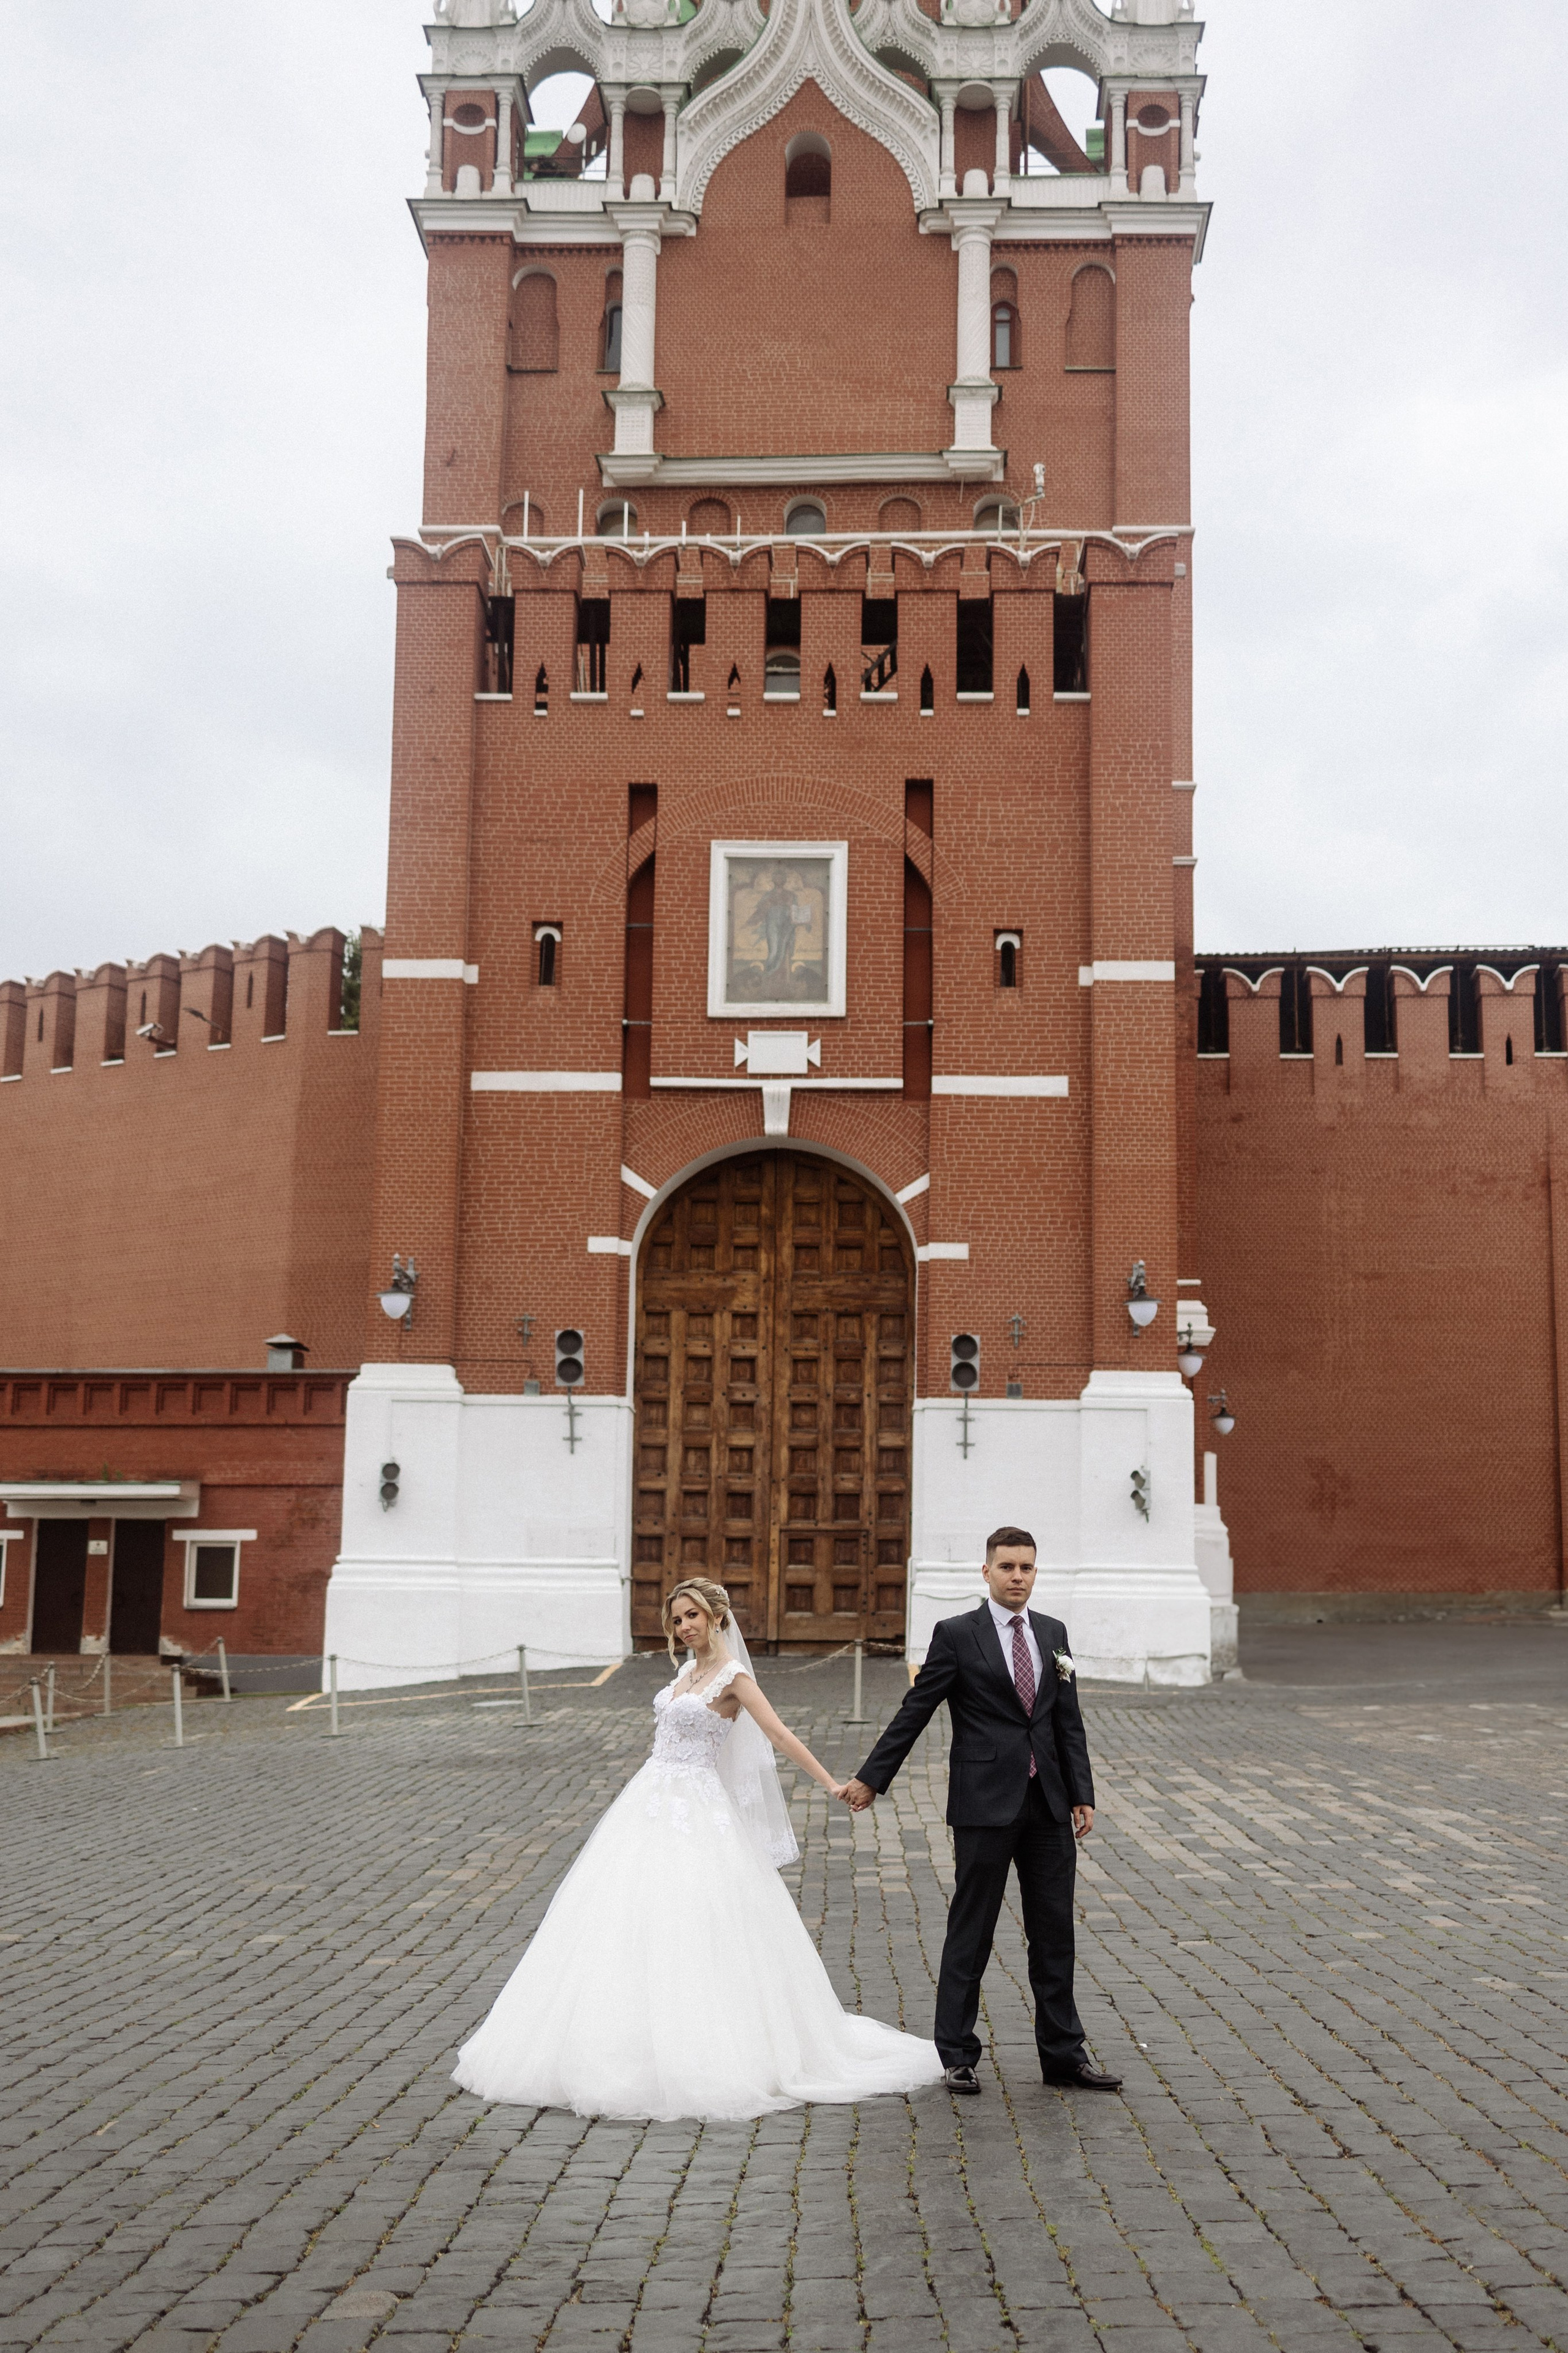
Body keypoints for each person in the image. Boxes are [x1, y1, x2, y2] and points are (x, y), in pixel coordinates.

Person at [453, 1578, 944, 2121]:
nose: (684, 1626)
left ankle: (705, 2042)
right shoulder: (685, 1673)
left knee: (697, 1915)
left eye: (692, 1616)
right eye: (677, 1619)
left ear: (716, 1617)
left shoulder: (733, 1678)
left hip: (698, 1807)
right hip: (647, 1802)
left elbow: (777, 1735)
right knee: (622, 1914)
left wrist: (831, 1782)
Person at [841, 1527, 1122, 2097]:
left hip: (1047, 1807)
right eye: (1008, 1566)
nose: (1019, 1576)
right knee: (972, 1929)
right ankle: (958, 2054)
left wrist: (1081, 1792)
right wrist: (873, 1777)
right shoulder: (957, 1635)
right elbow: (915, 1710)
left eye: (1028, 1567)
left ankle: (1064, 2055)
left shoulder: (1052, 1634)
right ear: (987, 1572)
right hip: (984, 1804)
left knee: (1054, 1932)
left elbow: (1067, 1719)